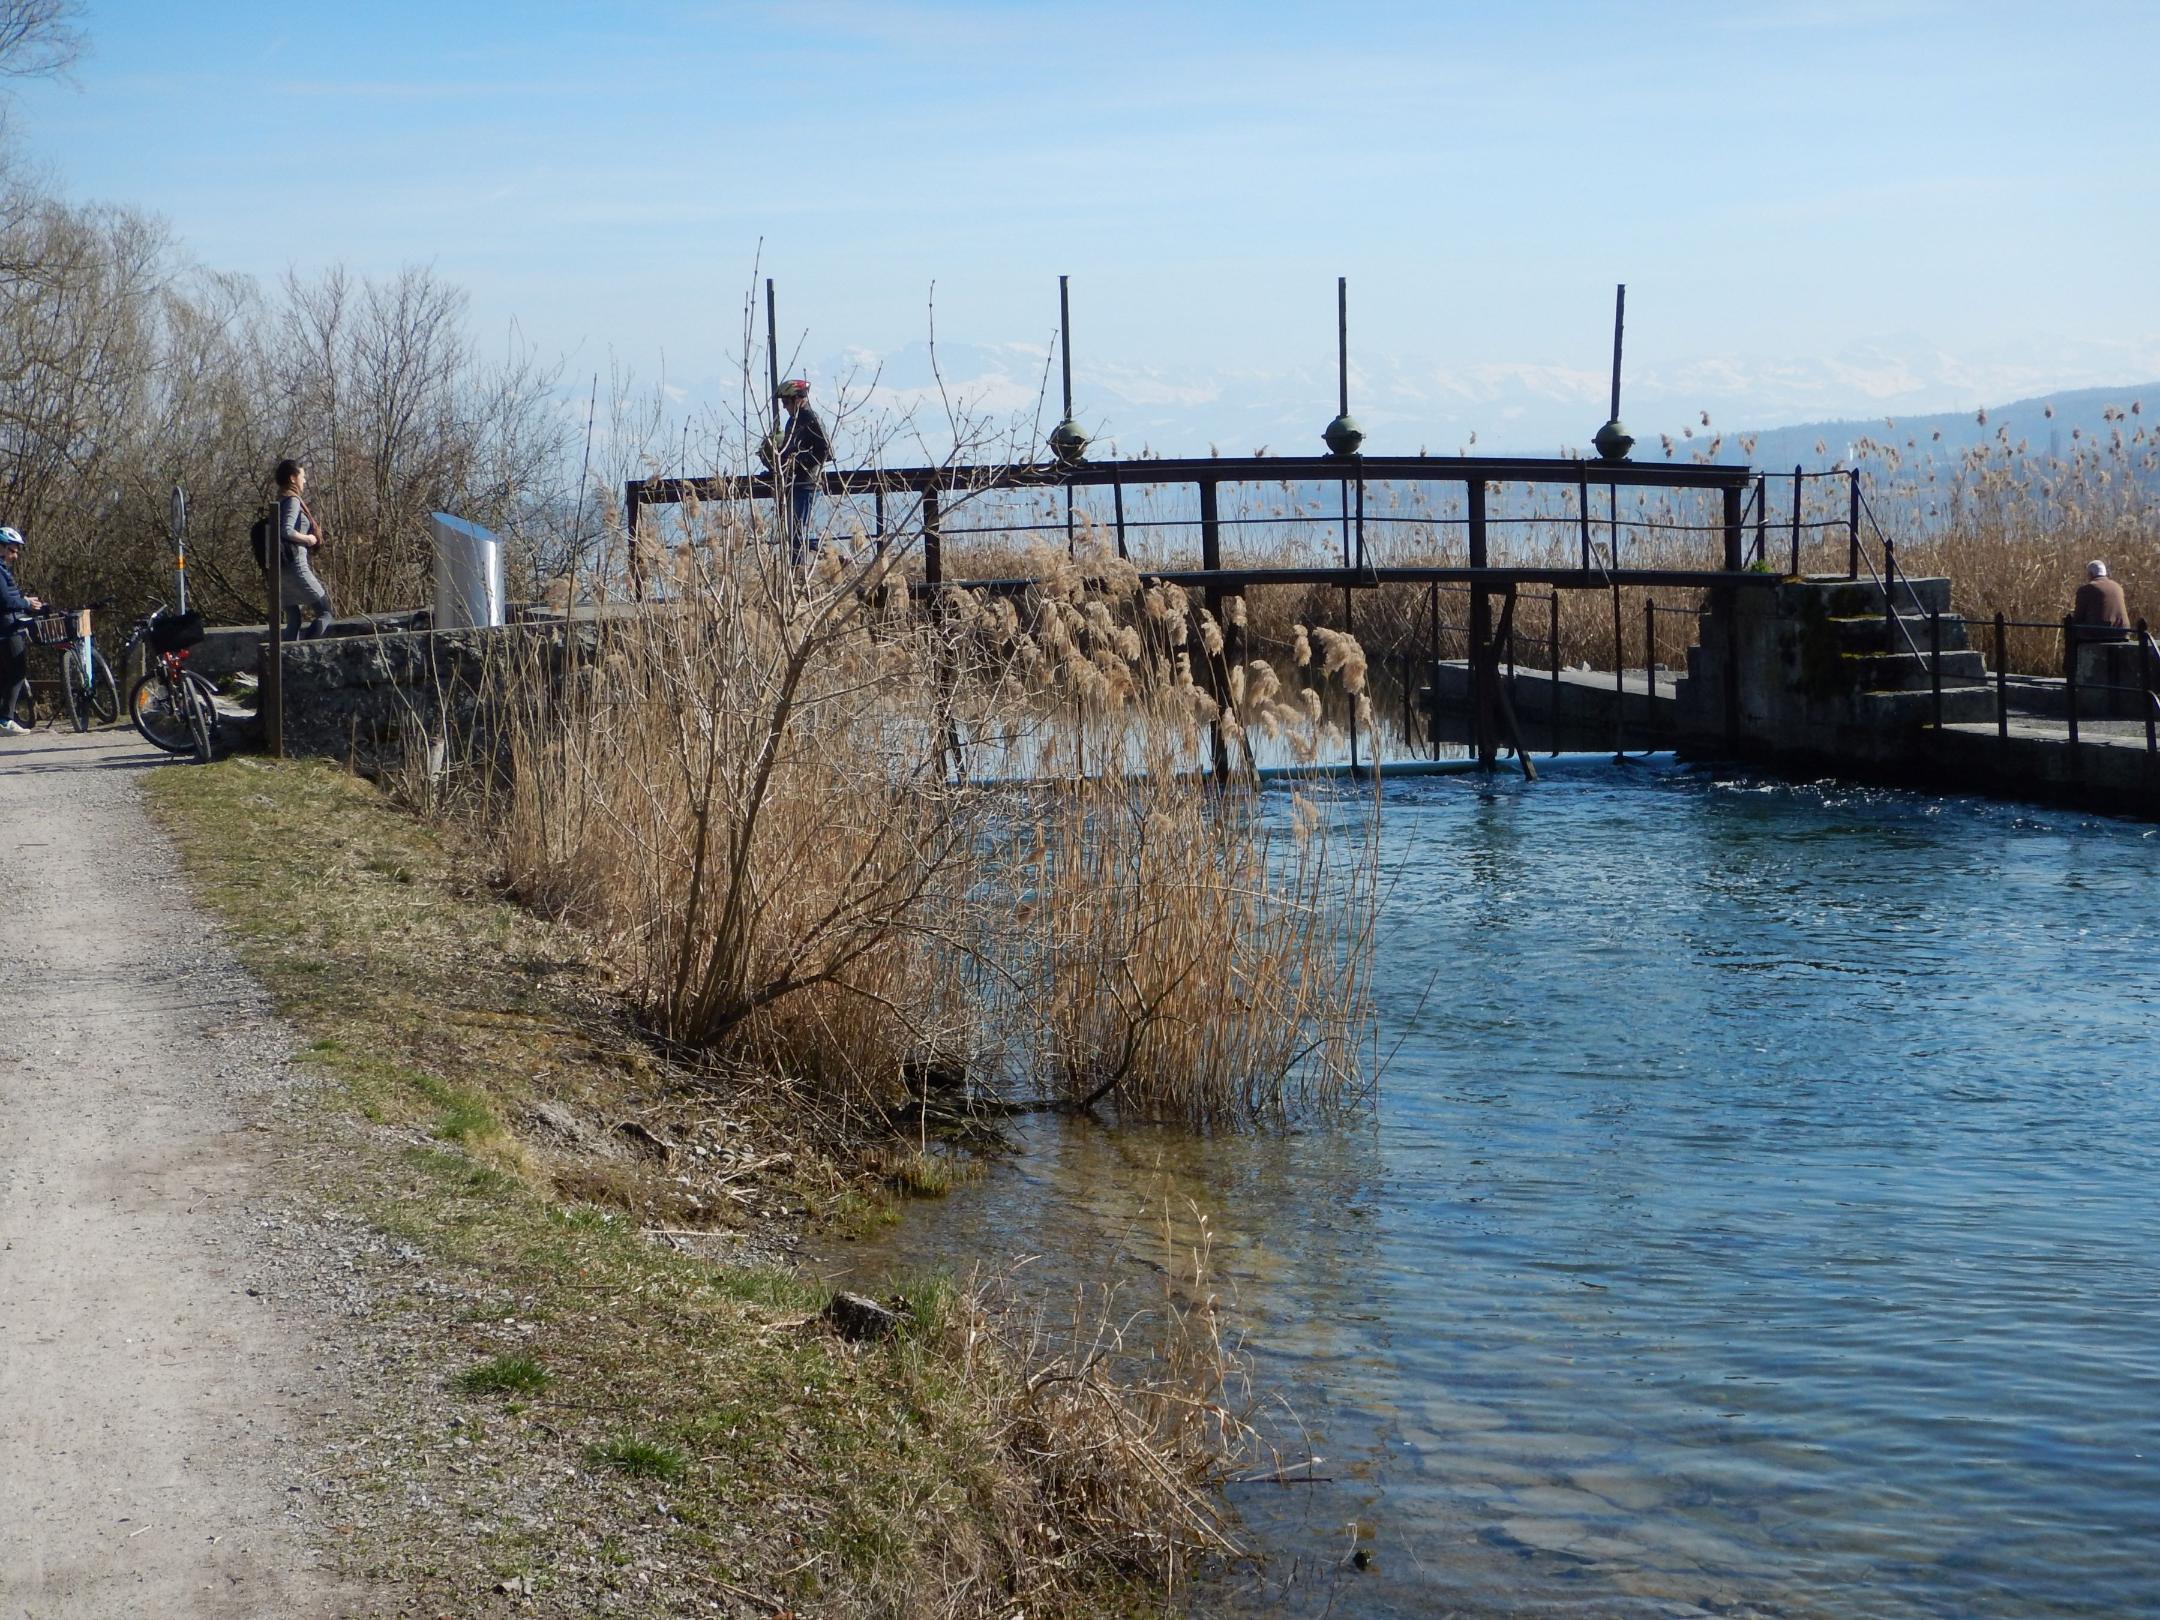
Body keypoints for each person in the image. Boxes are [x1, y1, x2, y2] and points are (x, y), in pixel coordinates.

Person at [272, 458, 335, 640]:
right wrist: (309, 538)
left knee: (294, 619)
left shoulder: (279, 500)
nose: (305, 481)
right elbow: (286, 530)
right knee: (325, 612)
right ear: (293, 478)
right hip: (295, 566)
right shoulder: (292, 500)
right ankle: (307, 647)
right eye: (303, 476)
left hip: (280, 570)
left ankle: (285, 661)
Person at [775, 378, 830, 563]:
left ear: (798, 399)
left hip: (807, 483)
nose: (784, 407)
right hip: (794, 483)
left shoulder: (811, 419)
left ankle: (801, 573)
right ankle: (830, 559)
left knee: (798, 533)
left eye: (785, 402)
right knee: (794, 534)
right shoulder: (792, 421)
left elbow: (825, 451)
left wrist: (799, 462)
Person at [0, 526, 45, 735]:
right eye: (12, 550)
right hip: (6, 628)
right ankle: (5, 719)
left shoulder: (3, 569)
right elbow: (5, 600)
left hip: (10, 623)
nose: (15, 555)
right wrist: (25, 603)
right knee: (17, 672)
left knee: (5, 674)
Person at [2072, 560, 2131, 641]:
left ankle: (2075, 653)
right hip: (2123, 631)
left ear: (2090, 574)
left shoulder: (2086, 589)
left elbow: (2078, 616)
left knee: (2073, 630)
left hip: (2100, 632)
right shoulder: (2118, 587)